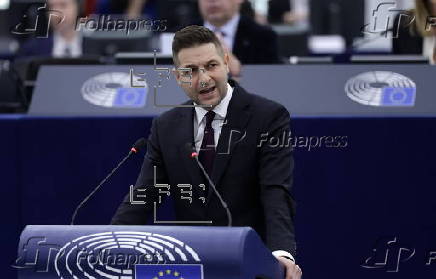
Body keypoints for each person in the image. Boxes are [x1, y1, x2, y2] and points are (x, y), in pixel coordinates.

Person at [111, 25, 301, 279]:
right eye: (190, 71)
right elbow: (144, 197)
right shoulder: (167, 126)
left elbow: (275, 191)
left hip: (249, 263)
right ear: (178, 77)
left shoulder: (268, 116)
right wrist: (106, 245)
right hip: (190, 266)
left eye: (211, 66)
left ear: (226, 64)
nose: (203, 79)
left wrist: (281, 253)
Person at [194, 0, 281, 77]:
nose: (212, 1)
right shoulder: (181, 36)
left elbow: (271, 80)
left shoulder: (264, 37)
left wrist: (240, 71)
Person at [17, 0, 83, 58]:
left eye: (63, 5)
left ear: (78, 6)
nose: (55, 14)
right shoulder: (30, 50)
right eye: (51, 7)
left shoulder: (92, 48)